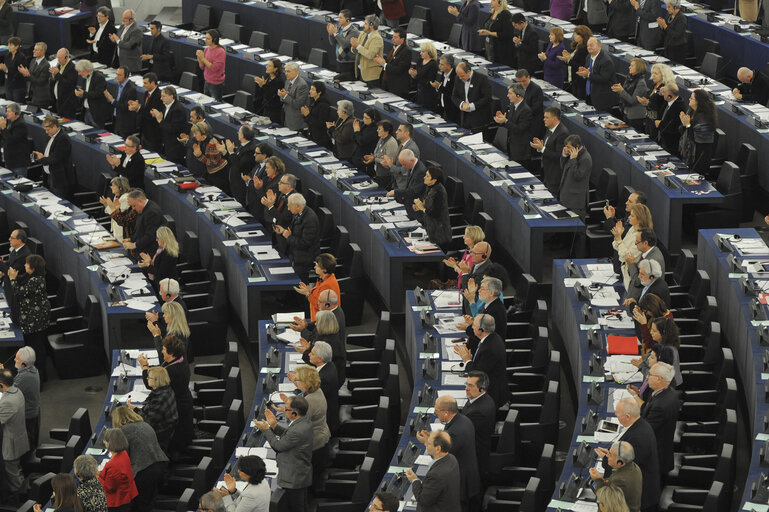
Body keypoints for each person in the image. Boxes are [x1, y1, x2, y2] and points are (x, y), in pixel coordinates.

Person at [419, 396, 480, 510]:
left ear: (446, 412)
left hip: (461, 483)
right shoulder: (463, 420)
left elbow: (441, 455)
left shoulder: (455, 433)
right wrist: (432, 438)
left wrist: (427, 442)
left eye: (437, 410)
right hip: (469, 473)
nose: (435, 413)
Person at [253, 396, 313, 512]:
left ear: (295, 413)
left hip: (294, 478)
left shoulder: (297, 430)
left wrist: (266, 430)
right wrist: (274, 426)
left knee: (296, 508)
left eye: (287, 409)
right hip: (300, 473)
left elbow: (279, 446)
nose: (284, 410)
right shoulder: (304, 421)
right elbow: (288, 435)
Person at [137, 335, 193, 453]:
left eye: (163, 349)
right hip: (182, 402)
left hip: (179, 409)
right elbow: (161, 370)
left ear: (171, 353)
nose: (161, 351)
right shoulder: (179, 359)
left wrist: (144, 367)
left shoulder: (172, 371)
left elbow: (151, 383)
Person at [604, 398, 661, 512]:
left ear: (628, 416)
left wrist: (606, 459)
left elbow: (622, 467)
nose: (616, 416)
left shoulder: (637, 439)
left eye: (618, 414)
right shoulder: (641, 424)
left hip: (641, 497)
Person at [111, 406, 169, 511]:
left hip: (144, 473)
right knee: (149, 500)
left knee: (139, 506)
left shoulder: (123, 431)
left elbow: (122, 459)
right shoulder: (145, 424)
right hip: (160, 465)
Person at [283, 366, 330, 484]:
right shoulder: (315, 390)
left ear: (305, 382)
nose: (295, 381)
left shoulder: (310, 401)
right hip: (321, 437)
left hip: (315, 445)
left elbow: (297, 424)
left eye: (297, 379)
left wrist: (286, 410)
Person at [454, 314, 509, 408]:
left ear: (481, 330)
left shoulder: (489, 350)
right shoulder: (492, 337)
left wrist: (467, 360)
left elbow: (477, 375)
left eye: (473, 325)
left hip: (491, 396)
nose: (472, 327)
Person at [8, 254, 50, 377]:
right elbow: (21, 278)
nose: (25, 265)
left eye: (27, 264)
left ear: (33, 268)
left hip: (35, 320)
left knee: (37, 346)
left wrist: (12, 279)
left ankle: (41, 374)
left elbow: (18, 292)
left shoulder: (36, 280)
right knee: (34, 345)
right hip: (33, 317)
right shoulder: (32, 276)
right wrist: (12, 275)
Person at [405, 431, 461, 512]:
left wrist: (414, 480)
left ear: (438, 449)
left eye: (429, 444)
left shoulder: (436, 475)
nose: (425, 444)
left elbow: (423, 500)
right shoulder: (452, 459)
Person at [640, 362, 679, 476]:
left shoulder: (660, 406)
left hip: (655, 460)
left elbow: (645, 432)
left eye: (650, 374)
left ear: (659, 379)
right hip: (662, 450)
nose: (647, 377)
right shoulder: (669, 393)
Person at [126, 366, 178, 451]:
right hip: (165, 429)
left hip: (159, 434)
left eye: (149, 377)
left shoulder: (159, 399)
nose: (147, 379)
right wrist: (135, 408)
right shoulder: (166, 389)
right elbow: (151, 412)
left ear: (156, 381)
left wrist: (135, 412)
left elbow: (148, 422)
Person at [0, 347, 40, 449]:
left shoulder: (24, 377)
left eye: (17, 359)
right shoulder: (31, 370)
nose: (14, 360)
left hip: (26, 416)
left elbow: (7, 391)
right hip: (32, 412)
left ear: (24, 364)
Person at [275, 194, 320, 283]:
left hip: (304, 260)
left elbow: (305, 243)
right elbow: (296, 233)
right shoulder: (298, 213)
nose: (288, 209)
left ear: (298, 206)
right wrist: (284, 231)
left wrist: (288, 236)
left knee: (299, 285)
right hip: (295, 255)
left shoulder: (309, 219)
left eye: (289, 206)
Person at [462, 371, 496, 485]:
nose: (466, 388)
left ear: (482, 388)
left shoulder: (479, 411)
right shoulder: (479, 399)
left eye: (471, 386)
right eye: (466, 384)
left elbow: (461, 435)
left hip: (475, 460)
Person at [295, 309, 346, 384]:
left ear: (324, 324)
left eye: (317, 322)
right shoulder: (325, 333)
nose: (315, 324)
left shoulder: (329, 343)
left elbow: (318, 362)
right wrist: (308, 348)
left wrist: (305, 352)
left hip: (330, 381)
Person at [0, 369, 29, 502]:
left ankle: (19, 498)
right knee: (16, 468)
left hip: (11, 445)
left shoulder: (7, 402)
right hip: (19, 438)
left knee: (13, 472)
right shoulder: (17, 391)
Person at [589, 442, 642, 512]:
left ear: (620, 462)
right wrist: (610, 454)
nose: (607, 455)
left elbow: (605, 501)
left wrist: (598, 480)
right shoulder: (634, 467)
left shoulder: (620, 481)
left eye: (610, 454)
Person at [299, 341, 339, 432]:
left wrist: (298, 383)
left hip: (324, 424)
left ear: (320, 359)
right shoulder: (329, 365)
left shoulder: (323, 379)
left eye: (312, 353)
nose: (309, 354)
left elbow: (310, 399)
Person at [612, 203, 653, 290]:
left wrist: (619, 240)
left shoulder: (641, 237)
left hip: (633, 277)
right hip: (625, 274)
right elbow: (617, 247)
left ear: (639, 220)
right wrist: (617, 236)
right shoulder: (632, 229)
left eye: (632, 216)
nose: (629, 217)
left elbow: (625, 257)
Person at [531, 107, 570, 195]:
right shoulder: (550, 129)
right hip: (547, 172)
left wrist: (542, 148)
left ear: (555, 118)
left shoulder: (562, 133)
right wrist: (540, 146)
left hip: (555, 176)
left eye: (546, 117)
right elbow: (549, 148)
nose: (544, 119)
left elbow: (559, 157)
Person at [679, 88, 718, 177]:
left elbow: (697, 139)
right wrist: (684, 124)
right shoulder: (691, 111)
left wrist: (688, 125)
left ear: (698, 101)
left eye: (691, 98)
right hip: (689, 153)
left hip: (700, 156)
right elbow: (682, 132)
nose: (689, 99)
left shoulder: (704, 119)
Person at [461, 277, 507, 350]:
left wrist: (467, 327)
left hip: (487, 352)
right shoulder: (490, 305)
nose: (479, 290)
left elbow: (482, 333)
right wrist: (472, 323)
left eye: (482, 288)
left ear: (491, 293)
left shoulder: (495, 311)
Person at [494, 83, 533, 167]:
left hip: (520, 151)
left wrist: (505, 121)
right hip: (510, 146)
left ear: (518, 95)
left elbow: (519, 129)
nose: (507, 95)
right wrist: (501, 120)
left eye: (510, 93)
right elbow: (509, 123)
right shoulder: (512, 106)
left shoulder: (526, 110)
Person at [99, 428, 139, 510]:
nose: (104, 442)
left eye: (105, 440)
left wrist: (97, 478)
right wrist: (99, 473)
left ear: (111, 443)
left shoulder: (114, 465)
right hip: (127, 494)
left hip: (118, 501)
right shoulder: (123, 453)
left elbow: (109, 488)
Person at [413, 166, 451, 247]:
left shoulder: (439, 191)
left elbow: (435, 213)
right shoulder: (429, 187)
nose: (424, 177)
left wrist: (422, 208)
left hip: (440, 235)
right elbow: (428, 203)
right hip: (430, 230)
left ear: (434, 180)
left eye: (427, 176)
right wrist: (419, 206)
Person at [625, 228, 666, 302]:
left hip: (642, 304)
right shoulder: (649, 252)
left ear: (646, 243)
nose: (635, 244)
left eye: (637, 242)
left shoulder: (652, 260)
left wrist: (631, 264)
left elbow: (638, 281)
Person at [439, 225, 485, 290]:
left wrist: (454, 266)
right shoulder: (468, 250)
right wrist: (456, 263)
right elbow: (463, 268)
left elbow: (467, 276)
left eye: (466, 236)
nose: (463, 237)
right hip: (459, 282)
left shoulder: (476, 257)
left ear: (473, 238)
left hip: (465, 288)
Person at [578, 37, 617, 112]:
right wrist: (583, 73)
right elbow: (588, 73)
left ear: (599, 46)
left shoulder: (606, 61)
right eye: (588, 45)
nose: (589, 47)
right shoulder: (589, 56)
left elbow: (604, 79)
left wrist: (588, 74)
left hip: (603, 98)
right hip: (590, 94)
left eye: (591, 45)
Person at [386, 150, 427, 220]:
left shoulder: (421, 171)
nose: (403, 167)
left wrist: (396, 192)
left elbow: (413, 191)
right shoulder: (411, 166)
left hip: (416, 210)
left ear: (411, 160)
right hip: (409, 205)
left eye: (404, 164)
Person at [637, 63, 675, 140]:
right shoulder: (655, 86)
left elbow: (663, 107)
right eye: (653, 73)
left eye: (656, 73)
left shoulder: (665, 89)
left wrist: (648, 103)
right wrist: (645, 102)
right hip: (649, 120)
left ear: (663, 75)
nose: (653, 75)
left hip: (657, 123)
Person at [127, 73, 163, 153]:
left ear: (153, 83)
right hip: (144, 132)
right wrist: (136, 107)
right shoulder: (147, 93)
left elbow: (152, 115)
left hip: (153, 135)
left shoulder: (159, 96)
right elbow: (145, 109)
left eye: (145, 83)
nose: (143, 85)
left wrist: (138, 108)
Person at [452, 61, 492, 133]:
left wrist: (471, 106)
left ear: (469, 71)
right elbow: (454, 96)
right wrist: (462, 104)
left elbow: (487, 98)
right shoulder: (458, 78)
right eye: (459, 75)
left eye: (462, 75)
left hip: (479, 118)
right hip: (464, 117)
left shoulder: (482, 79)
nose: (460, 78)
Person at [559, 134, 592, 218]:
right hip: (565, 197)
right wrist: (564, 155)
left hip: (575, 203)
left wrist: (573, 160)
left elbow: (578, 176)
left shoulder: (586, 159)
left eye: (568, 147)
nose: (566, 149)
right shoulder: (572, 154)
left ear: (577, 146)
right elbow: (564, 168)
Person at [611, 58, 649, 132]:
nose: (629, 67)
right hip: (626, 112)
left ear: (638, 68)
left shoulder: (641, 83)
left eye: (632, 66)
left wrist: (621, 90)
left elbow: (632, 100)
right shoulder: (630, 78)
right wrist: (618, 89)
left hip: (635, 117)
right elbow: (625, 92)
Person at [123, 189, 164, 256]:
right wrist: (131, 239)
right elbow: (140, 229)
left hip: (148, 252)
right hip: (142, 247)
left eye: (134, 205)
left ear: (140, 201)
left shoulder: (152, 212)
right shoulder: (142, 208)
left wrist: (134, 245)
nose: (133, 208)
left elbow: (150, 235)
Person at [152, 86, 187, 163]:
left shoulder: (178, 110)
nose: (161, 98)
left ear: (171, 96)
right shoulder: (166, 105)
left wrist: (160, 120)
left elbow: (173, 129)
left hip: (175, 148)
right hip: (167, 144)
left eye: (164, 96)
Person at [138, 226, 179, 291]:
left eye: (158, 238)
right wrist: (149, 261)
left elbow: (160, 273)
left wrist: (148, 264)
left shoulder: (168, 254)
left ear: (163, 239)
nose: (156, 240)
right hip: (160, 282)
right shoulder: (161, 249)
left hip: (167, 287)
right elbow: (158, 265)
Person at [381, 123, 420, 190]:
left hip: (404, 187)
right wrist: (389, 163)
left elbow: (405, 171)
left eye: (399, 130)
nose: (396, 132)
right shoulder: (402, 144)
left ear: (407, 133)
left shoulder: (411, 149)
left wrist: (391, 166)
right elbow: (398, 165)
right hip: (397, 183)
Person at [225, 125, 258, 205]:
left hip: (241, 186)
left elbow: (239, 165)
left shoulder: (251, 149)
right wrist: (225, 152)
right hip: (235, 184)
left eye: (239, 132)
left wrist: (231, 152)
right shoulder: (244, 145)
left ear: (243, 135)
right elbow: (234, 160)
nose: (237, 133)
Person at [74, 59, 111, 129]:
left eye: (80, 71)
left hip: (96, 113)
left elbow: (99, 94)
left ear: (86, 70)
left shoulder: (99, 78)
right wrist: (79, 93)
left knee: (97, 134)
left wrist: (84, 94)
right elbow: (84, 90)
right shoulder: (84, 78)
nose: (78, 74)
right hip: (86, 110)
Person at [558, 25, 591, 99]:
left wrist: (568, 60)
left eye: (577, 34)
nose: (574, 36)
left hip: (579, 81)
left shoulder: (585, 49)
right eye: (574, 34)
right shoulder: (577, 46)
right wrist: (568, 57)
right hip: (573, 80)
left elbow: (580, 65)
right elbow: (574, 61)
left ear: (583, 36)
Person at [376, 28, 410, 98]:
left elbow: (398, 70)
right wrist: (381, 61)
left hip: (397, 87)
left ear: (402, 39)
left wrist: (384, 64)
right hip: (388, 83)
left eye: (395, 37)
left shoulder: (406, 52)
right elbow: (390, 61)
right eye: (393, 37)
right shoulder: (393, 47)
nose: (392, 39)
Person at [351, 15, 384, 87]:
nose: (363, 25)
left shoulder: (377, 38)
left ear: (371, 25)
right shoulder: (362, 34)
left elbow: (370, 55)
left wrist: (357, 46)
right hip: (360, 71)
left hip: (371, 75)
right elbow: (356, 50)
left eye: (365, 23)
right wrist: (353, 47)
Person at [105, 67, 138, 139]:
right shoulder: (118, 85)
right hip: (117, 119)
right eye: (116, 74)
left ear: (126, 76)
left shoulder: (131, 89)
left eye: (119, 75)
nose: (117, 76)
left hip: (125, 123)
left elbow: (125, 107)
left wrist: (112, 100)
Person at [479, 0, 513, 66]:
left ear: (500, 2)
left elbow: (507, 34)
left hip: (501, 50)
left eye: (494, 0)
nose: (491, 2)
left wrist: (489, 33)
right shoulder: (493, 12)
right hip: (489, 46)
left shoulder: (506, 14)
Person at [101, 177, 135, 243]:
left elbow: (118, 216)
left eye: (113, 185)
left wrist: (107, 206)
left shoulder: (125, 198)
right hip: (116, 229)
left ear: (120, 187)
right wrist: (108, 206)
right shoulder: (117, 196)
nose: (111, 187)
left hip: (121, 231)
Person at [327, 10, 359, 80]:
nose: (338, 20)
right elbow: (332, 43)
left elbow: (345, 45)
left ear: (347, 19)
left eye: (341, 18)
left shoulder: (353, 31)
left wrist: (336, 33)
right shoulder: (339, 28)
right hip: (339, 62)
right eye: (338, 17)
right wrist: (331, 34)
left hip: (349, 64)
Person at [366, 120, 399, 189]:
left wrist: (375, 159)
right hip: (378, 174)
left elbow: (389, 163)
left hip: (386, 177)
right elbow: (377, 153)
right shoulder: (382, 138)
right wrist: (373, 157)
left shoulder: (391, 143)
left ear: (386, 131)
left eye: (379, 129)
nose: (377, 130)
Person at [655, 82, 685, 155]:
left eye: (664, 92)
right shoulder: (669, 101)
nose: (662, 94)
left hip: (671, 145)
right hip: (663, 141)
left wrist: (660, 124)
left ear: (670, 95)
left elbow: (673, 127)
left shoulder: (678, 107)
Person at [0, 103, 30, 174]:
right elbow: (4, 137)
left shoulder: (20, 125)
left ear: (15, 113)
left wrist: (3, 128)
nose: (6, 113)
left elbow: (11, 140)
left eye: (9, 111)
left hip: (18, 162)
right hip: (9, 160)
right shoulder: (10, 122)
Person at [20, 42, 52, 108]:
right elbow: (30, 77)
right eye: (34, 49)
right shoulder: (32, 61)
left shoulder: (46, 65)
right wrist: (25, 74)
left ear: (43, 52)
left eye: (36, 50)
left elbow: (40, 81)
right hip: (32, 95)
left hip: (41, 97)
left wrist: (28, 74)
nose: (33, 51)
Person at [196, 29, 225, 100]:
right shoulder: (206, 49)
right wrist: (199, 59)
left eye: (208, 39)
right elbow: (202, 67)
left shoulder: (220, 52)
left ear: (214, 40)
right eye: (205, 38)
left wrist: (203, 58)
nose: (205, 40)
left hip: (216, 84)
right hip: (207, 81)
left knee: (215, 105)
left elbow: (214, 68)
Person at [515, 69, 545, 138]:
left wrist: (521, 113)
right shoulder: (517, 87)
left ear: (528, 77)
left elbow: (536, 108)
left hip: (533, 124)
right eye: (519, 82)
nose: (521, 84)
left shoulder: (536, 89)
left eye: (524, 81)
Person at [279, 62, 309, 131]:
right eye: (285, 71)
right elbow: (285, 98)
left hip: (297, 122)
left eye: (288, 71)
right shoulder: (287, 81)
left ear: (296, 71)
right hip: (287, 118)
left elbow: (298, 104)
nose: (286, 73)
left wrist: (285, 96)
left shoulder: (302, 85)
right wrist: (282, 95)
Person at [302, 82, 332, 148]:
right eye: (310, 89)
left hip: (320, 139)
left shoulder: (324, 105)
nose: (310, 91)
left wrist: (307, 115)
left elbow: (320, 124)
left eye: (313, 90)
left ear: (319, 92)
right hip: (313, 135)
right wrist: (306, 114)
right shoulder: (313, 101)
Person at [410, 42, 439, 111]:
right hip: (419, 92)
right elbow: (416, 75)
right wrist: (412, 74)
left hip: (428, 95)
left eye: (423, 51)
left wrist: (416, 75)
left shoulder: (433, 65)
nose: (420, 53)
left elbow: (429, 81)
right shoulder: (420, 61)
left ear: (429, 52)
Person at [254, 59, 285, 124]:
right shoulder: (268, 76)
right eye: (267, 65)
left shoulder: (279, 81)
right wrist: (260, 85)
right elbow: (262, 94)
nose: (266, 67)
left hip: (274, 111)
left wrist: (263, 85)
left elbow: (270, 96)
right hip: (266, 108)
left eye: (269, 66)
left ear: (275, 68)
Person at [50, 48, 78, 119]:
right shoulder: (59, 65)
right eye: (57, 58)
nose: (58, 60)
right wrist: (53, 77)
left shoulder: (72, 67)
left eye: (60, 58)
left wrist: (57, 74)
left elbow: (69, 84)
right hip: (59, 100)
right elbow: (57, 80)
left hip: (67, 102)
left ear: (66, 57)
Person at [432, 54, 460, 124]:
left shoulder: (455, 77)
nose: (439, 66)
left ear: (449, 66)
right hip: (442, 107)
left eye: (442, 64)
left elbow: (451, 93)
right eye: (439, 64)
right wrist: (437, 87)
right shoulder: (443, 73)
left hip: (452, 110)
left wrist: (439, 87)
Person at [352, 109, 380, 173]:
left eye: (366, 118)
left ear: (373, 120)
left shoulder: (375, 131)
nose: (364, 119)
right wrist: (355, 131)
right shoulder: (364, 125)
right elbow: (355, 139)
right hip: (357, 156)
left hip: (365, 160)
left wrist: (356, 131)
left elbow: (361, 142)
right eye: (363, 117)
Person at [0, 38, 27, 103]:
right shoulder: (7, 55)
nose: (8, 46)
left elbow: (20, 73)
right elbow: (6, 67)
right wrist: (3, 68)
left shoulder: (21, 57)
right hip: (8, 84)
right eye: (8, 44)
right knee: (9, 104)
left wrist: (7, 70)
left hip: (17, 86)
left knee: (17, 106)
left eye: (11, 45)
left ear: (17, 46)